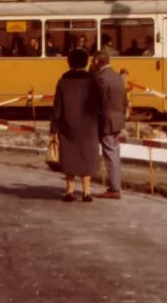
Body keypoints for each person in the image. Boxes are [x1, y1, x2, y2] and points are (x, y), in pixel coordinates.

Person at [50, 49, 102, 203]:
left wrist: (54, 127)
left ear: (70, 62)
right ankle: (86, 191)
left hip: (68, 125)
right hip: (89, 125)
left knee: (69, 156)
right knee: (87, 157)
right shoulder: (93, 80)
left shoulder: (63, 81)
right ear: (86, 61)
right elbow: (99, 105)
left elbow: (57, 107)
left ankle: (69, 191)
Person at [92, 50, 128, 199]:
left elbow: (99, 103)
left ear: (96, 62)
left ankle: (114, 188)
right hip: (117, 120)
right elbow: (125, 100)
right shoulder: (118, 77)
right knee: (115, 153)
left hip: (106, 121)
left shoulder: (102, 79)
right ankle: (115, 186)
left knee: (110, 154)